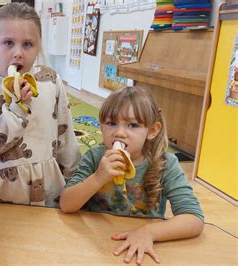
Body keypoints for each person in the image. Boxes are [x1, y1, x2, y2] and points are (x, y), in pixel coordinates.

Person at [60, 86, 204, 264]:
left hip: (143, 246)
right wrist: (98, 178)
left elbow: (194, 219)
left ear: (152, 131)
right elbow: (66, 204)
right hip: (97, 242)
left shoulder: (166, 163)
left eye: (133, 125)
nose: (119, 132)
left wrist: (149, 232)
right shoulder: (95, 157)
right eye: (111, 123)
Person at [0, 2, 81, 207]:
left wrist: (75, 179)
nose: (18, 53)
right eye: (8, 43)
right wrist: (16, 109)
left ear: (38, 47)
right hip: (0, 189)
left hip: (46, 184)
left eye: (27, 44)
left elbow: (65, 133)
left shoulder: (50, 80)